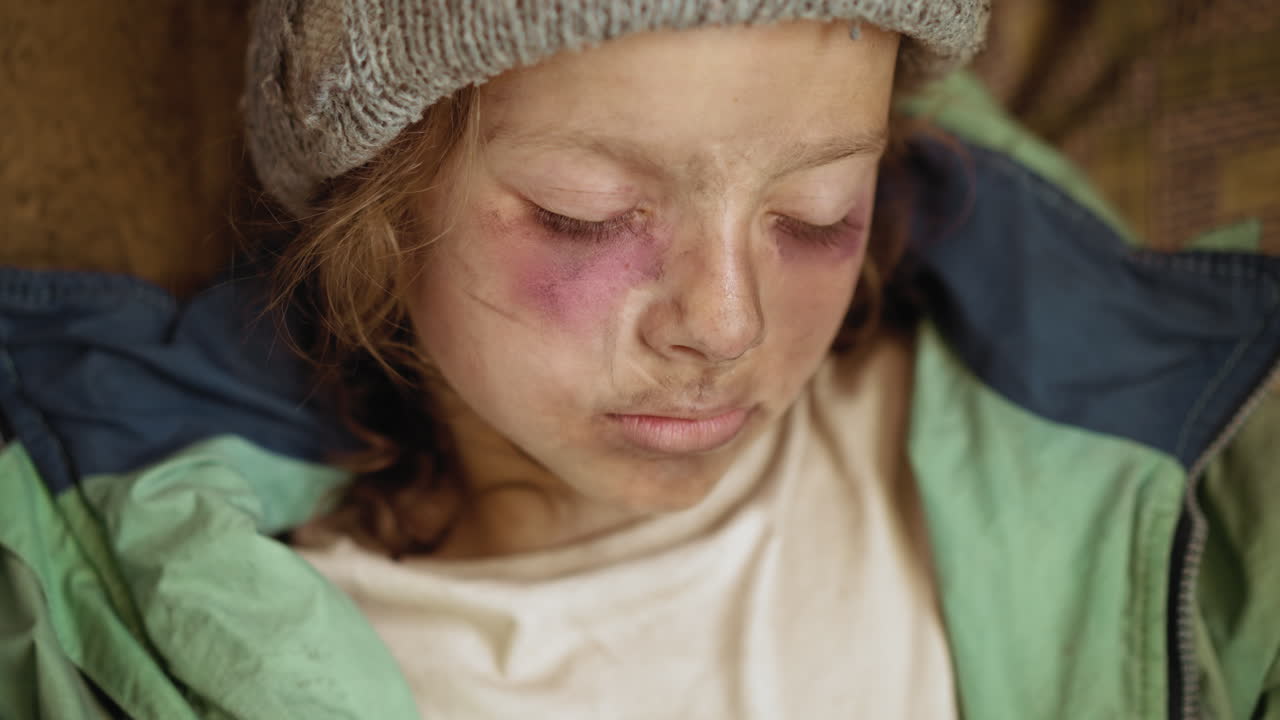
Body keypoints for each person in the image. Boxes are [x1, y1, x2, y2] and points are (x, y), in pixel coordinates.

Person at [1, 2, 1277, 719]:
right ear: (376, 211)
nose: (722, 322)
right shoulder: (156, 637)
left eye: (816, 212)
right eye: (585, 216)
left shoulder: (1164, 467)